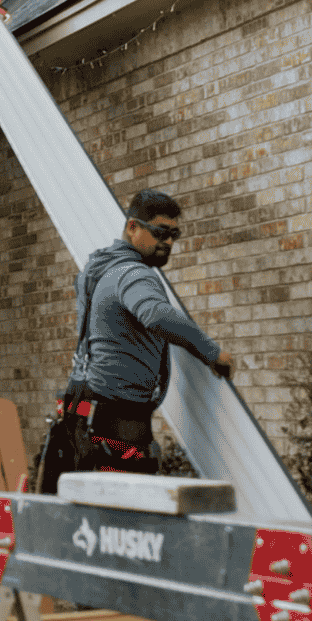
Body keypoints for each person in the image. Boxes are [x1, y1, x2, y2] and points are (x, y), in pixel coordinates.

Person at [63, 189, 233, 474]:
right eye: (160, 232)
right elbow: (157, 315)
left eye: (174, 236)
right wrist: (213, 354)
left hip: (86, 410)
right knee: (126, 513)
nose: (168, 242)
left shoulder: (103, 269)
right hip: (117, 421)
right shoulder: (133, 273)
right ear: (133, 227)